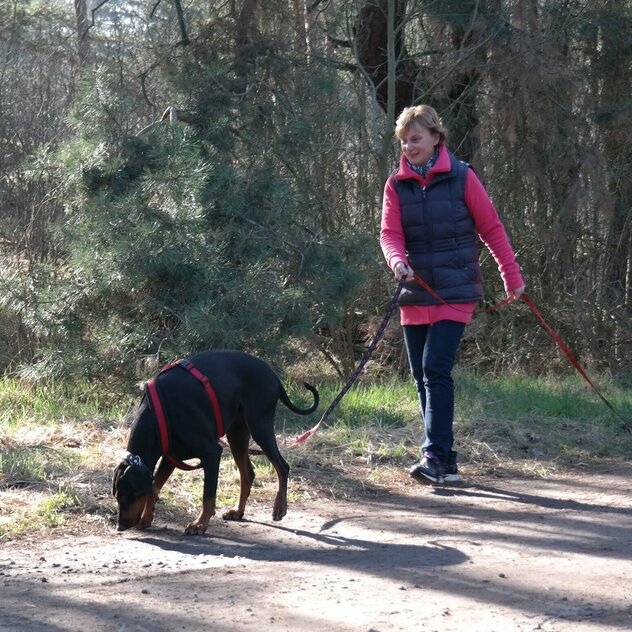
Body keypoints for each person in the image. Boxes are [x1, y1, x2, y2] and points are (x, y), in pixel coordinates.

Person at [380, 105, 525, 484]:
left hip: (456, 289)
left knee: (435, 368)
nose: (410, 147)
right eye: (404, 141)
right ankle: (445, 458)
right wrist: (397, 262)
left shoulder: (462, 177)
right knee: (418, 374)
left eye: (417, 139)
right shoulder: (396, 184)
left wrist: (511, 276)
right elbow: (389, 234)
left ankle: (434, 456)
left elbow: (491, 228)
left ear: (436, 139)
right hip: (415, 289)